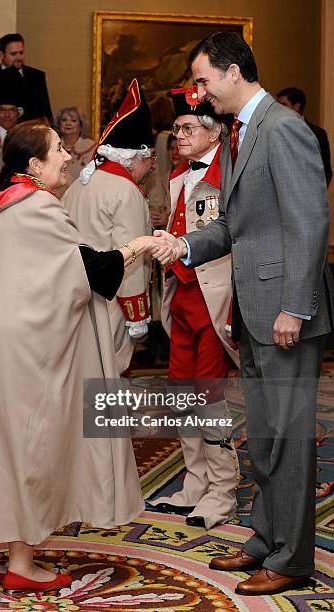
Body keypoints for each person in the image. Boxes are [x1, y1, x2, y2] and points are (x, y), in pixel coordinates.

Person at [0, 120, 165, 594]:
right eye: (58, 150)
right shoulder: (38, 204)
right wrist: (140, 245)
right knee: (31, 442)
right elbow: (84, 270)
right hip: (24, 350)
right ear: (34, 165)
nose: (69, 156)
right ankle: (22, 563)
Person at [152, 31, 334, 596]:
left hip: (284, 314)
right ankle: (265, 538)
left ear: (234, 73)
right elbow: (234, 226)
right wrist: (183, 246)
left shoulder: (284, 128)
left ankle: (292, 558)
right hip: (251, 312)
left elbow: (310, 223)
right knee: (263, 438)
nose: (199, 92)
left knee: (289, 438)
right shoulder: (239, 134)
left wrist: (293, 308)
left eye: (203, 80)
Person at [149, 88, 239, 530]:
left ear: (213, 130)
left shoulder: (233, 170)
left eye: (187, 128)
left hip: (216, 300)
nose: (178, 135)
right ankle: (197, 480)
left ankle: (222, 490)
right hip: (182, 296)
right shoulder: (180, 172)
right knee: (181, 393)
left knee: (210, 397)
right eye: (177, 128)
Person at [62, 79, 155, 375]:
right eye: (151, 158)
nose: (153, 166)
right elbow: (132, 256)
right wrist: (137, 313)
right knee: (110, 375)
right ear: (135, 157)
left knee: (82, 371)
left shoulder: (79, 184)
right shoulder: (126, 192)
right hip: (112, 302)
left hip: (76, 296)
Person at [0, 33, 52, 130]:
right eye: (13, 54)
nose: (19, 57)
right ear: (2, 55)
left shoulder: (36, 77)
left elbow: (45, 113)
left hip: (28, 136)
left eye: (21, 53)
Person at [276, 87, 332, 186]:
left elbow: (326, 170)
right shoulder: (274, 130)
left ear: (296, 106)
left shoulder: (318, 133)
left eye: (283, 105)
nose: (278, 109)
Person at [53, 106, 96, 198]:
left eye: (73, 120)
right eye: (64, 120)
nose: (68, 123)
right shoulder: (51, 145)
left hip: (84, 196)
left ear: (81, 125)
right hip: (57, 197)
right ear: (59, 124)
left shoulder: (92, 147)